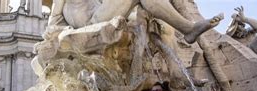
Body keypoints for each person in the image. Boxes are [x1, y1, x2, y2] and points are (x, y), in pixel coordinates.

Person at [48, 0, 223, 44]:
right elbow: (53, 23)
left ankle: (188, 29)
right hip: (91, 25)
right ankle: (188, 29)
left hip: (102, 18)